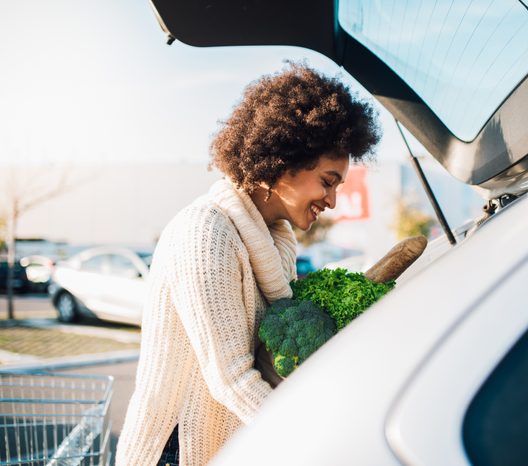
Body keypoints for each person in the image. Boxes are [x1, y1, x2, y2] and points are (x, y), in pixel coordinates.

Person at [115, 63, 381, 466]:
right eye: (327, 181)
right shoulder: (206, 233)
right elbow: (232, 379)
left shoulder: (277, 242)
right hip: (176, 448)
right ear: (284, 162)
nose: (332, 201)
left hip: (231, 444)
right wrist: (321, 445)